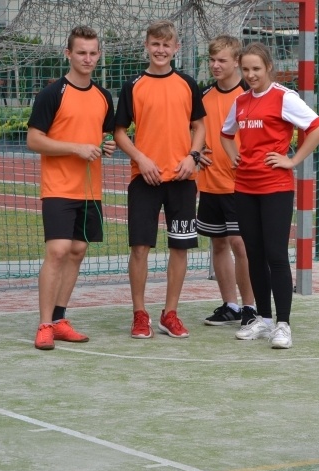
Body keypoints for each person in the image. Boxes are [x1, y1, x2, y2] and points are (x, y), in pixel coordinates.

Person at [221, 42, 319, 349]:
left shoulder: (284, 97)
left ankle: (283, 325)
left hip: (275, 188)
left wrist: (293, 160)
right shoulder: (241, 101)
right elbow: (226, 134)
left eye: (256, 68)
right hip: (245, 188)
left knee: (276, 255)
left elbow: (318, 128)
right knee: (253, 254)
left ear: (269, 67)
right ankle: (264, 319)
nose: (251, 75)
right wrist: (233, 156)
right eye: (246, 69)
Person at [114, 20, 207, 340]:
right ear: (146, 46)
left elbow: (200, 126)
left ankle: (170, 313)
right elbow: (119, 132)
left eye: (166, 45)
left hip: (182, 179)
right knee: (140, 248)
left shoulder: (187, 83)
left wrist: (192, 156)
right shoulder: (133, 85)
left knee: (180, 248)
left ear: (176, 48)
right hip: (145, 179)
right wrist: (141, 159)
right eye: (155, 44)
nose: (161, 50)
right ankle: (140, 314)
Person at [27, 26, 116, 350]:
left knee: (77, 251)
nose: (87, 59)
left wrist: (106, 145)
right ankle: (44, 325)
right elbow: (34, 140)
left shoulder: (103, 96)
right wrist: (75, 148)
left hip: (90, 189)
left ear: (98, 55)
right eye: (81, 53)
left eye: (93, 53)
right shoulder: (52, 94)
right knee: (58, 251)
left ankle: (60, 319)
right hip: (58, 187)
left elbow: (104, 135)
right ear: (68, 54)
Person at [197, 35, 257, 327]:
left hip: (241, 185)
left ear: (236, 61)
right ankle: (230, 305)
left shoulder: (249, 94)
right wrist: (194, 151)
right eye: (212, 60)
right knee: (218, 244)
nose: (215, 65)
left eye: (222, 60)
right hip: (210, 183)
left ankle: (250, 306)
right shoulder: (203, 96)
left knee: (240, 244)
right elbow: (191, 129)